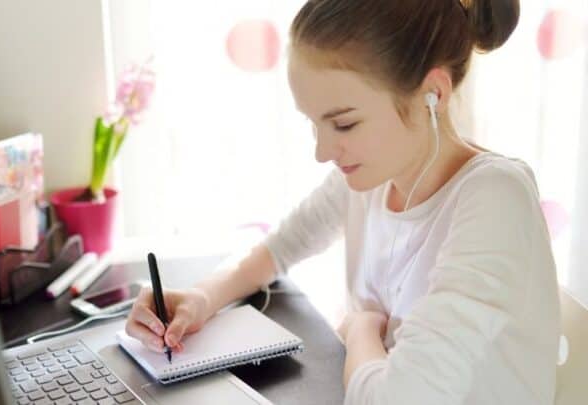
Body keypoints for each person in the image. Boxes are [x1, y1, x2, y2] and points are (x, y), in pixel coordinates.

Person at [125, 0, 560, 403]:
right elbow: (281, 247)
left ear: (435, 94)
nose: (322, 151)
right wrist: (201, 297)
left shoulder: (494, 199)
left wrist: (359, 330)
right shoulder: (377, 175)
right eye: (314, 124)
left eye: (345, 124)